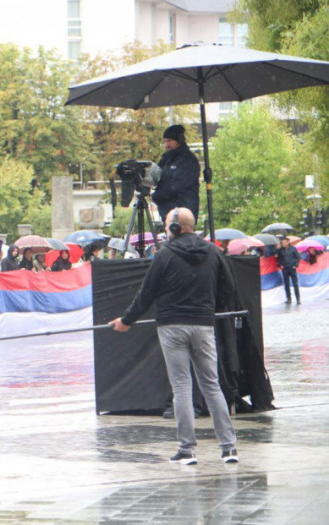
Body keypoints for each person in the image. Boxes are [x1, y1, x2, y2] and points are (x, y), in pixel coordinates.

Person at [109, 207, 238, 465]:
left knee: (181, 387)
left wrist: (126, 321)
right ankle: (229, 449)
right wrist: (210, 310)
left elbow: (146, 294)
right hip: (203, 325)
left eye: (167, 225)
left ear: (175, 227)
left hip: (171, 326)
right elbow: (229, 288)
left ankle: (187, 450)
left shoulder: (165, 254)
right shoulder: (213, 252)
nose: (166, 229)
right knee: (211, 386)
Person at [151, 124, 200, 222]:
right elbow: (155, 177)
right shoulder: (165, 159)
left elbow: (177, 185)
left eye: (169, 141)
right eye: (165, 141)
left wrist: (157, 196)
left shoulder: (188, 160)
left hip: (184, 212)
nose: (166, 145)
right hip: (167, 212)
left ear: (179, 140)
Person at [276, 236, 301, 305]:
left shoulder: (293, 249)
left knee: (295, 284)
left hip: (292, 268)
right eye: (282, 242)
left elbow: (298, 257)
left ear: (288, 242)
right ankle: (288, 298)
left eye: (284, 242)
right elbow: (278, 259)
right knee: (286, 284)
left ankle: (298, 298)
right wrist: (280, 265)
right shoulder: (281, 250)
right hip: (285, 268)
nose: (283, 243)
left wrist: (295, 265)